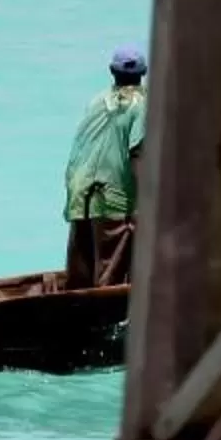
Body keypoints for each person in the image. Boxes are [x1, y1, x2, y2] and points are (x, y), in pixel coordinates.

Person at [63, 46, 147, 288]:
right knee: (111, 273)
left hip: (78, 190)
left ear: (112, 72)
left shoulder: (96, 101)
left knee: (81, 273)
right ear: (143, 73)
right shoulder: (142, 103)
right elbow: (137, 152)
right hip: (112, 196)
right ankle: (106, 322)